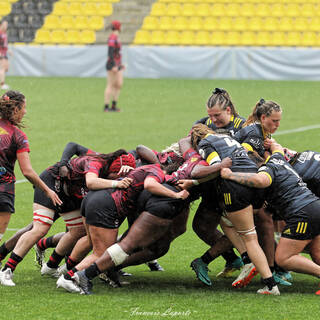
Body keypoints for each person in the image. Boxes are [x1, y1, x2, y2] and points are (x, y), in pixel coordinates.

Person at [0, 150, 134, 286]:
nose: (116, 178)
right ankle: (7, 269)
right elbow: (91, 182)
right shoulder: (96, 162)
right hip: (51, 183)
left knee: (79, 231)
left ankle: (51, 267)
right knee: (41, 227)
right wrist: (116, 184)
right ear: (113, 168)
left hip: (69, 194)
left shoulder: (111, 166)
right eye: (116, 175)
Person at [56, 163, 189, 293]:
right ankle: (68, 277)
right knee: (102, 254)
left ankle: (65, 269)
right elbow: (150, 185)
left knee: (92, 244)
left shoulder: (144, 167)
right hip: (106, 204)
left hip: (91, 199)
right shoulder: (157, 172)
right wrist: (175, 195)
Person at [190, 123, 279, 295]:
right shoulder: (227, 138)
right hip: (254, 179)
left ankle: (270, 284)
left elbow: (218, 166)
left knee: (249, 237)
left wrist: (193, 182)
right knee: (226, 221)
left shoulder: (204, 143)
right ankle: (248, 260)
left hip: (236, 185)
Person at [221, 142, 320, 295]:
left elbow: (261, 180)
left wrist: (230, 175)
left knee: (284, 258)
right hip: (314, 206)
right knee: (316, 252)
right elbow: (278, 150)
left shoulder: (266, 170)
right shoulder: (277, 158)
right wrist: (272, 143)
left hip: (302, 214)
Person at [190, 88, 246, 282]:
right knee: (201, 226)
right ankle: (233, 259)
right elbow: (188, 145)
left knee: (241, 227)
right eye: (210, 115)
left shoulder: (243, 125)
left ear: (229, 110)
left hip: (236, 186)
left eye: (217, 115)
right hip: (212, 186)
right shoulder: (202, 124)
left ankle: (273, 267)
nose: (213, 120)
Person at [0, 90, 61, 249]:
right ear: (15, 109)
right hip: (3, 192)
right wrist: (48, 190)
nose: (25, 111)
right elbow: (27, 171)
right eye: (24, 107)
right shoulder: (18, 136)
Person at [104, 20, 123, 113]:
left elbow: (117, 53)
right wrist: (114, 65)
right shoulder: (112, 38)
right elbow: (110, 52)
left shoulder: (116, 37)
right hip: (112, 64)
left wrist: (120, 64)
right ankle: (106, 107)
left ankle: (113, 106)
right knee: (111, 84)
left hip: (117, 63)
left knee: (118, 84)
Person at [0, 20, 11, 90]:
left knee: (6, 68)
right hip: (1, 52)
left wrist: (8, 50)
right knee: (3, 68)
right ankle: (2, 84)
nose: (6, 26)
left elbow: (4, 43)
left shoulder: (5, 33)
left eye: (7, 25)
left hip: (5, 52)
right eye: (5, 24)